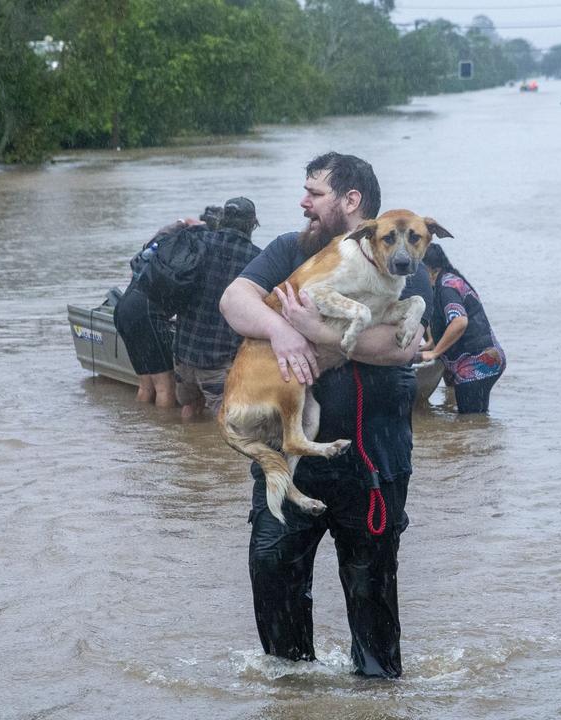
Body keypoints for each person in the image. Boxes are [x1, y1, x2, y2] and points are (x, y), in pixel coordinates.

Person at [219, 152, 429, 678]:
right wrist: (280, 329)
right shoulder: (292, 249)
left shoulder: (404, 260)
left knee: (374, 614)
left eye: (314, 192)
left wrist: (312, 331)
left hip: (374, 462)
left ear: (350, 201)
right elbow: (233, 300)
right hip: (294, 458)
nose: (303, 202)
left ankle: (379, 705)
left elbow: (398, 347)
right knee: (275, 596)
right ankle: (292, 702)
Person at [171, 197, 261, 420]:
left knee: (190, 408)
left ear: (222, 219)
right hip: (218, 360)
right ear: (252, 224)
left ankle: (183, 450)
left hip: (184, 353)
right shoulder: (257, 259)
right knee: (224, 421)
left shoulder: (198, 242)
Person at [418, 244, 506, 414]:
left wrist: (435, 353)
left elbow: (459, 322)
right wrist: (431, 343)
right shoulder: (445, 280)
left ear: (428, 268)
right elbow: (439, 318)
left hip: (476, 365)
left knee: (470, 420)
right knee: (476, 423)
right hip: (486, 359)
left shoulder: (447, 287)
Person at [114, 230, 178, 408]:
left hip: (123, 308)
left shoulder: (154, 250)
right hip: (145, 314)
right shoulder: (183, 254)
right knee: (166, 386)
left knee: (146, 385)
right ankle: (163, 431)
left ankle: (144, 426)